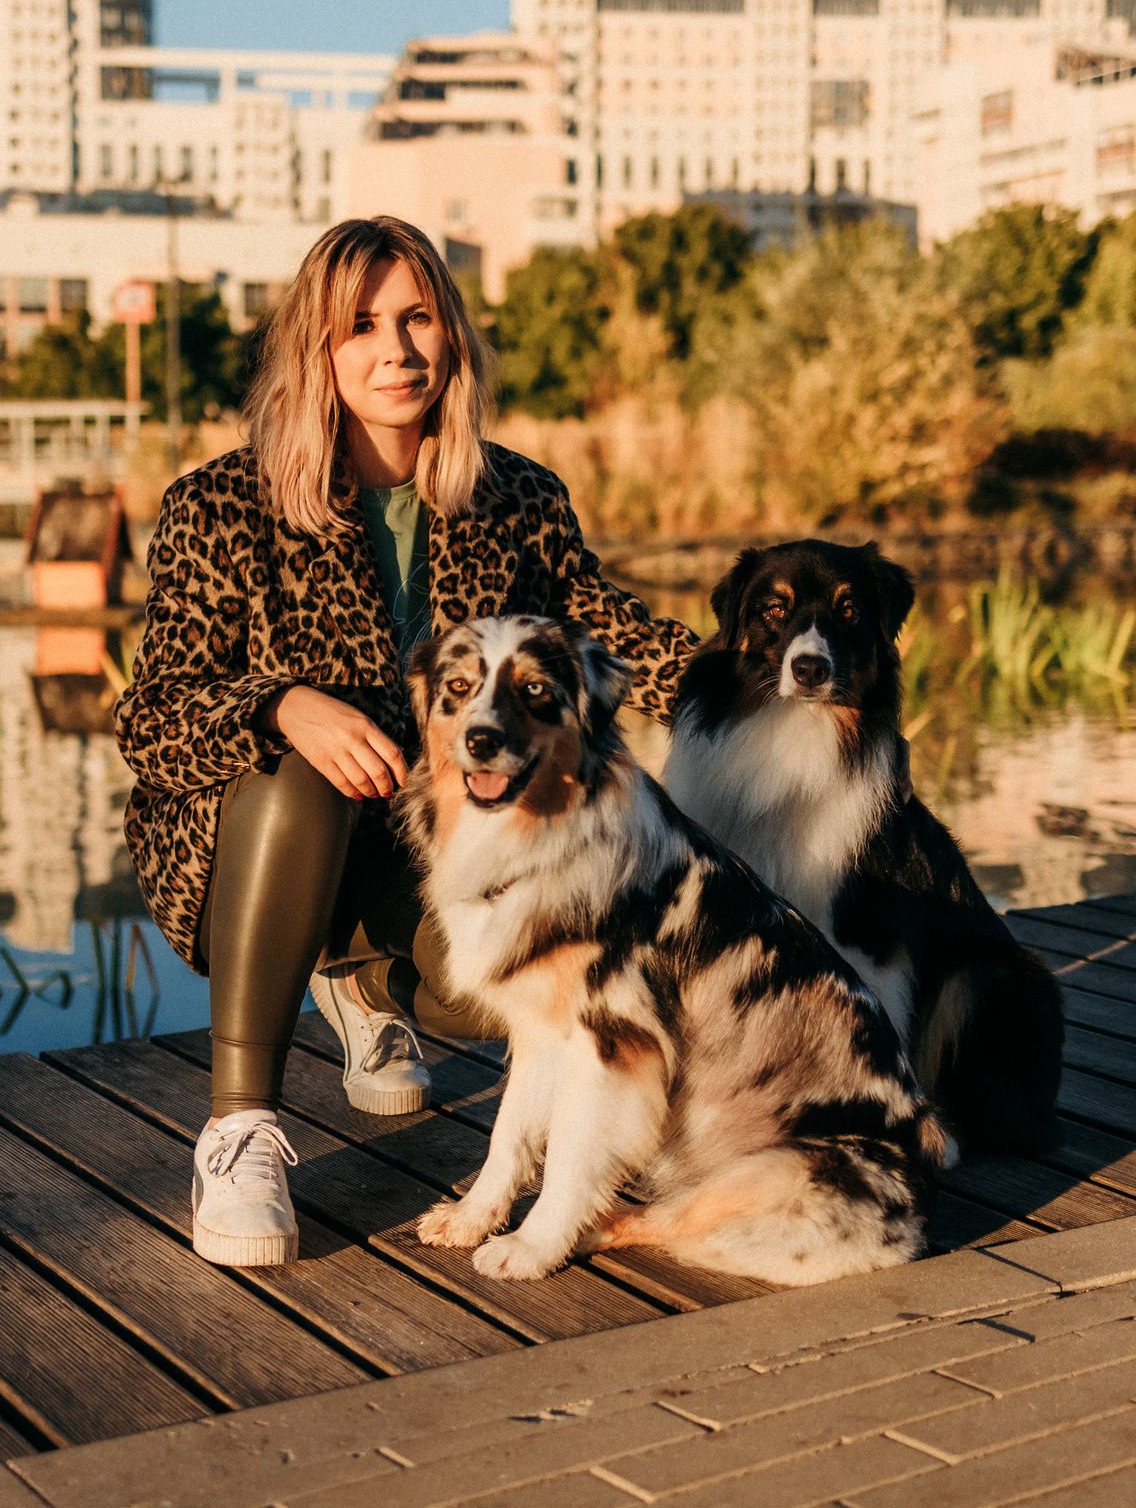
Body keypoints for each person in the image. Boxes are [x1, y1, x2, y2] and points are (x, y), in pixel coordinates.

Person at [112, 215, 700, 1266]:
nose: (396, 351)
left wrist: (746, 683)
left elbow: (602, 629)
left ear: (452, 336)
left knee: (502, 1004)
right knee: (298, 780)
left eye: (418, 318)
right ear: (316, 347)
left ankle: (360, 976)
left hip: (433, 847)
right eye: (363, 326)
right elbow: (150, 716)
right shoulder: (217, 505)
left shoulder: (514, 497)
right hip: (257, 840)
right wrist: (279, 704)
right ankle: (239, 1127)